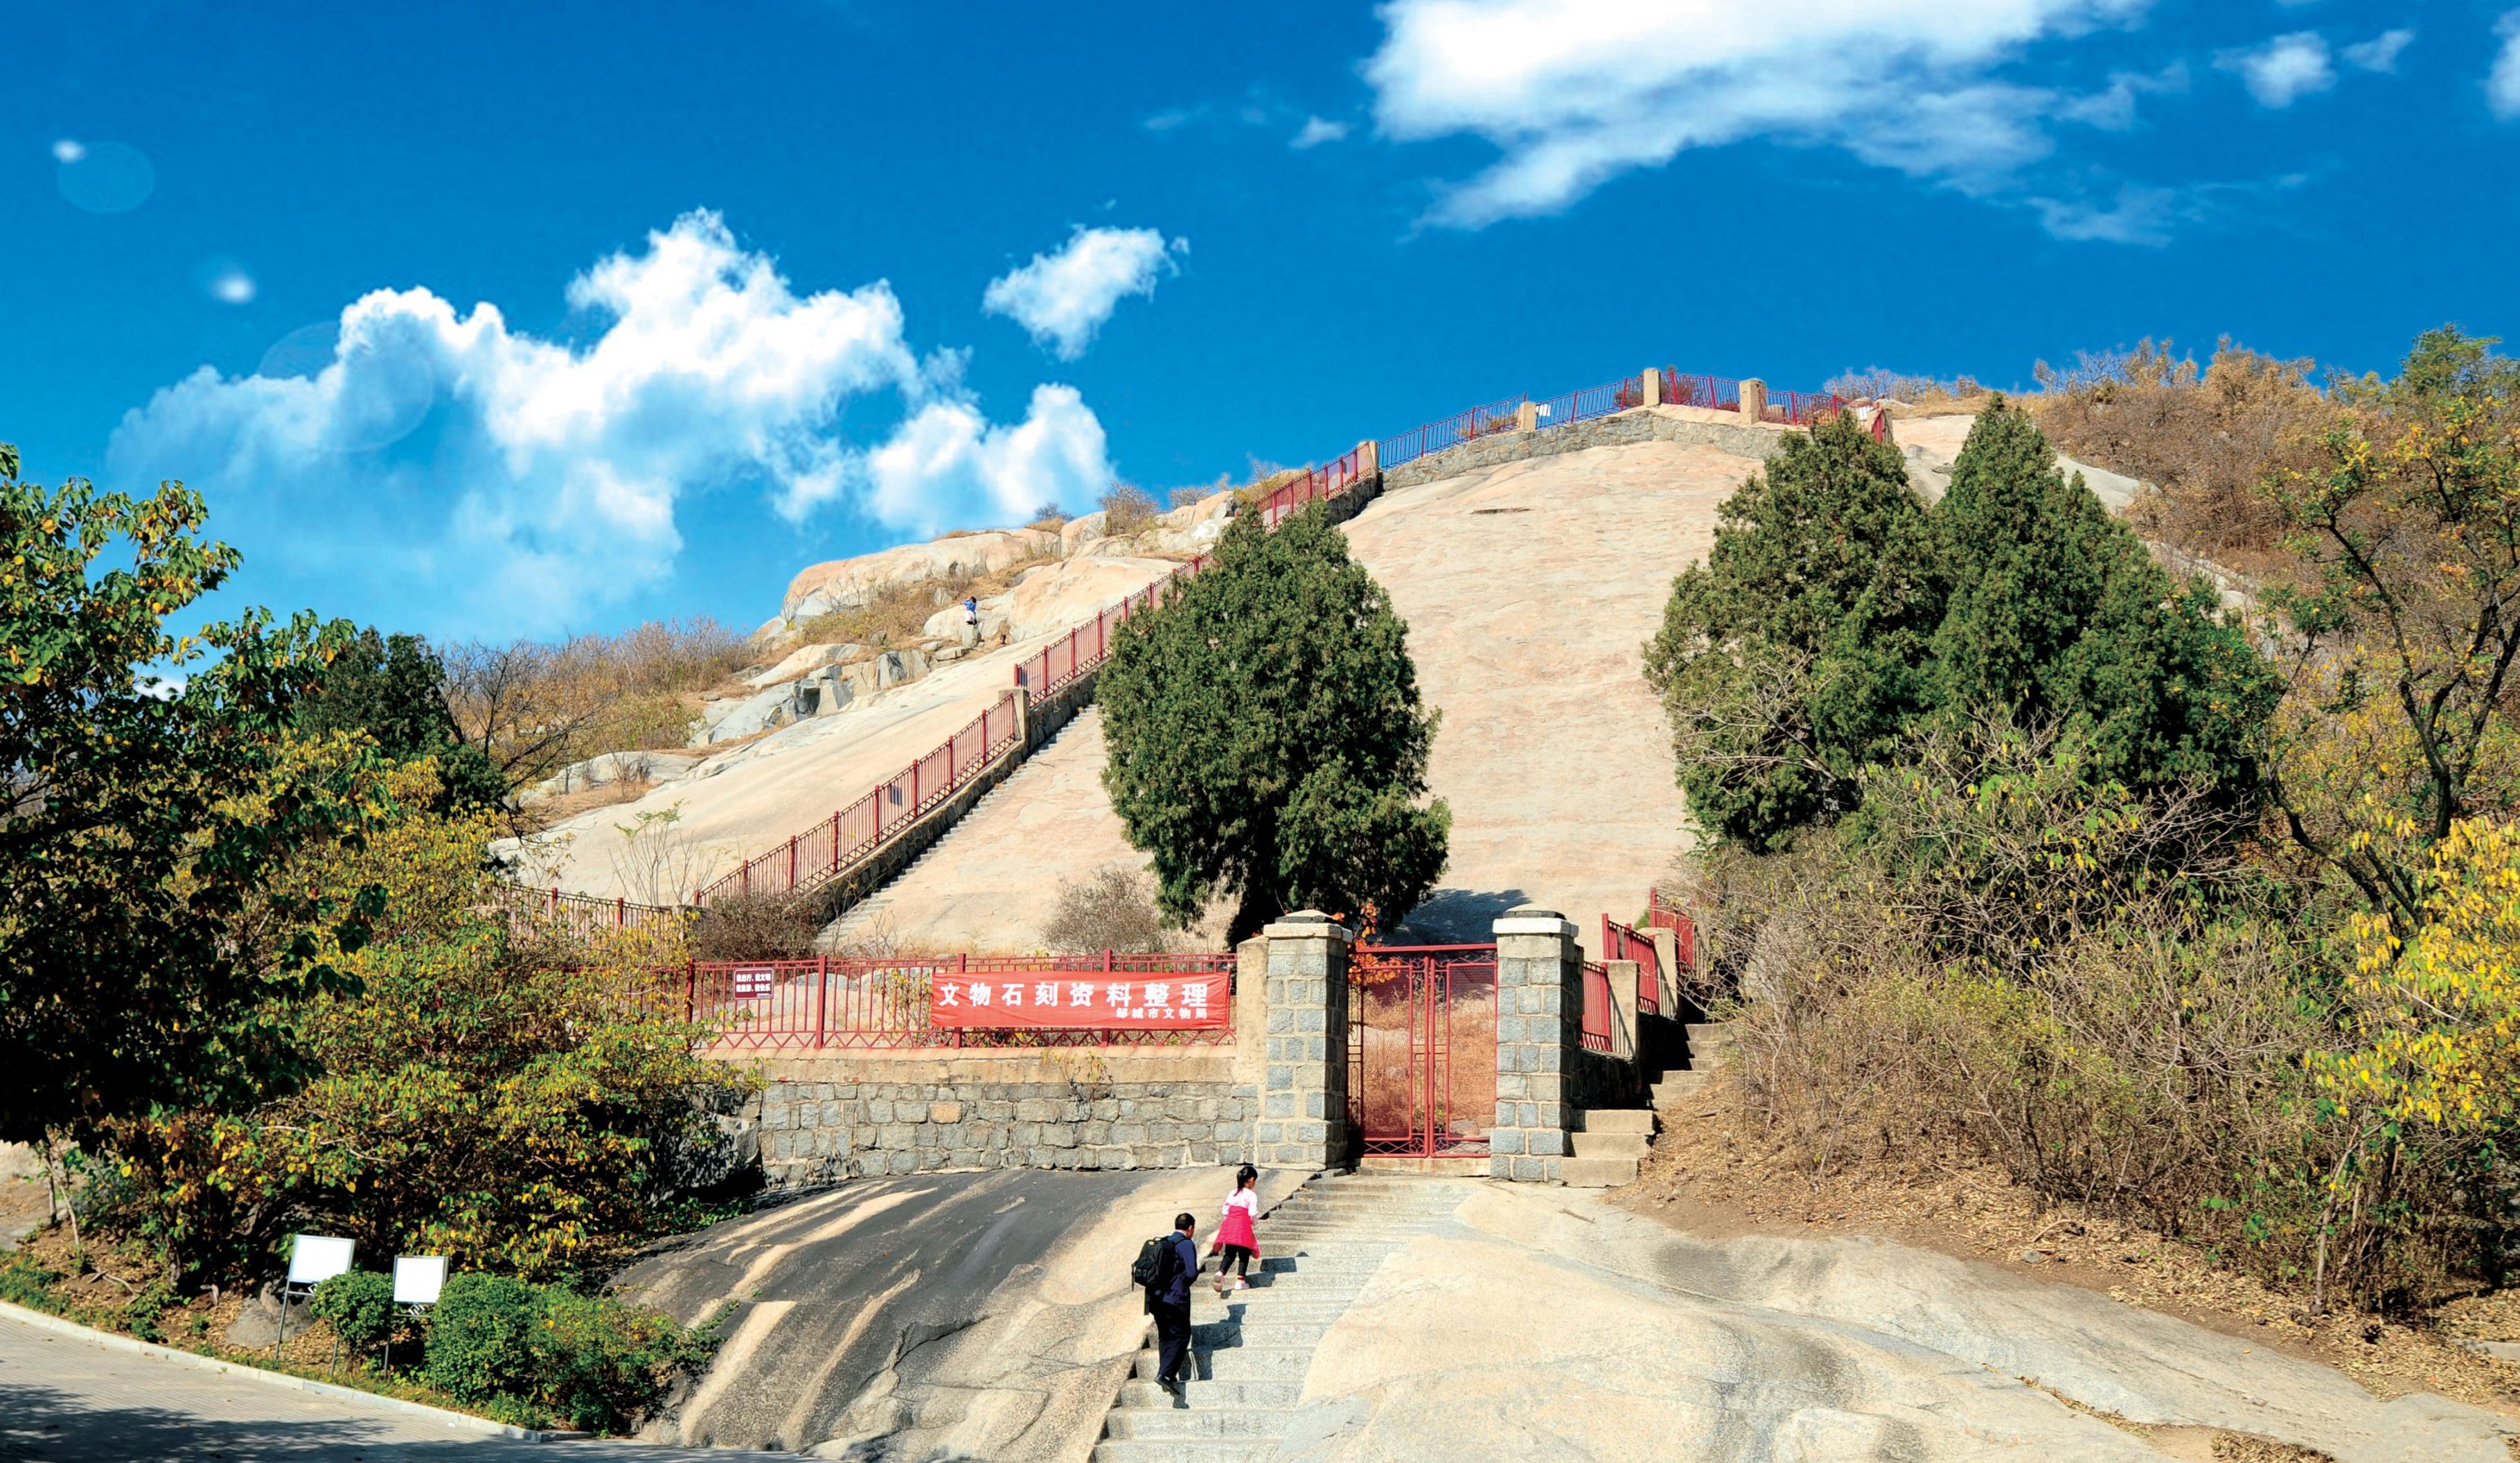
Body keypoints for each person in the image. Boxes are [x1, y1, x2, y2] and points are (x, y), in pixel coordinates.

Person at [1146, 1211, 1199, 1403]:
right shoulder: (1186, 1244)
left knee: (1166, 1336)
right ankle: (1166, 1375)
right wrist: (1181, 1282)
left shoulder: (1165, 1242)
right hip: (1175, 1299)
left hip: (1156, 1299)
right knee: (1182, 1334)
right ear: (1191, 1228)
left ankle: (1166, 1373)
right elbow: (1192, 1272)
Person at [1214, 1164, 1260, 1297]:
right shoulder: (1251, 1195)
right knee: (1244, 1254)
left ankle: (1220, 1272)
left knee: (1229, 1253)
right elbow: (1253, 1213)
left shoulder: (1232, 1193)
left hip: (1230, 1225)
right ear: (1251, 1180)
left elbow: (1225, 1210)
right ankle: (1240, 1280)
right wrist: (1254, 1223)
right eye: (1254, 1181)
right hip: (1243, 1226)